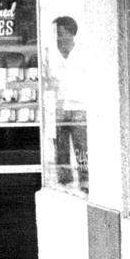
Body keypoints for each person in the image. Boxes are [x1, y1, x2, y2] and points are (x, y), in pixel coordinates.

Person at [51, 15, 87, 189]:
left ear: (71, 33)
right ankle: (64, 182)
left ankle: (85, 181)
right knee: (61, 148)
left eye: (60, 33)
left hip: (78, 106)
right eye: (56, 33)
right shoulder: (51, 54)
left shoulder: (83, 54)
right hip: (59, 107)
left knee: (82, 147)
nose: (58, 37)